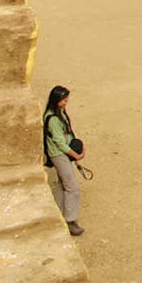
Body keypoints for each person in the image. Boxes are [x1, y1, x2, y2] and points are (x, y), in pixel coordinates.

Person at [43, 85, 86, 236]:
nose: (66, 102)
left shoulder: (57, 112)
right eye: (64, 100)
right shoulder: (54, 119)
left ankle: (57, 213)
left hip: (61, 153)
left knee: (63, 184)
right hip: (59, 154)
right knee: (72, 187)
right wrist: (76, 155)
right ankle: (70, 221)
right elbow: (59, 142)